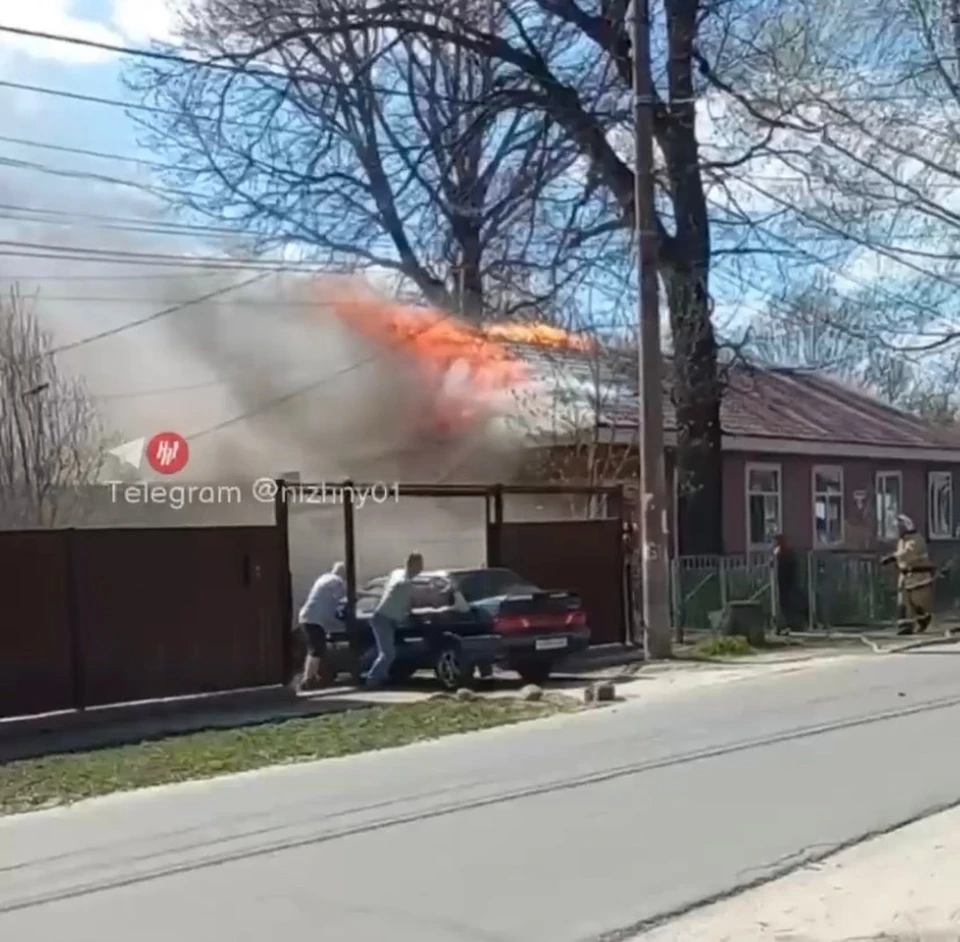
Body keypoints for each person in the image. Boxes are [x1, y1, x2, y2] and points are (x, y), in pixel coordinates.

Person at [366, 552, 424, 688]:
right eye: (420, 564)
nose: (421, 568)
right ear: (413, 565)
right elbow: (414, 597)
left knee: (388, 651)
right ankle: (372, 680)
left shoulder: (397, 572)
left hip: (386, 617)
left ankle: (383, 676)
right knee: (388, 653)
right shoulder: (405, 583)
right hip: (383, 618)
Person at [881, 515, 936, 636]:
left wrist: (892, 557)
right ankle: (907, 625)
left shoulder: (916, 539)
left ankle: (920, 620)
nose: (897, 531)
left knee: (915, 602)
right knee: (904, 602)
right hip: (906, 576)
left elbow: (908, 553)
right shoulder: (903, 540)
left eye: (899, 528)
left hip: (918, 576)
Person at [297, 561, 346, 690]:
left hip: (306, 616)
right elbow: (344, 598)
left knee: (314, 649)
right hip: (315, 620)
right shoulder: (337, 582)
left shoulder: (324, 578)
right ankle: (307, 680)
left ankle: (312, 677)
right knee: (316, 650)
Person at [773, 534, 804, 634]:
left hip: (788, 583)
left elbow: (791, 567)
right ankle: (784, 625)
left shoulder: (787, 553)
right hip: (783, 583)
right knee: (784, 604)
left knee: (788, 604)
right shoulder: (781, 552)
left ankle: (791, 625)